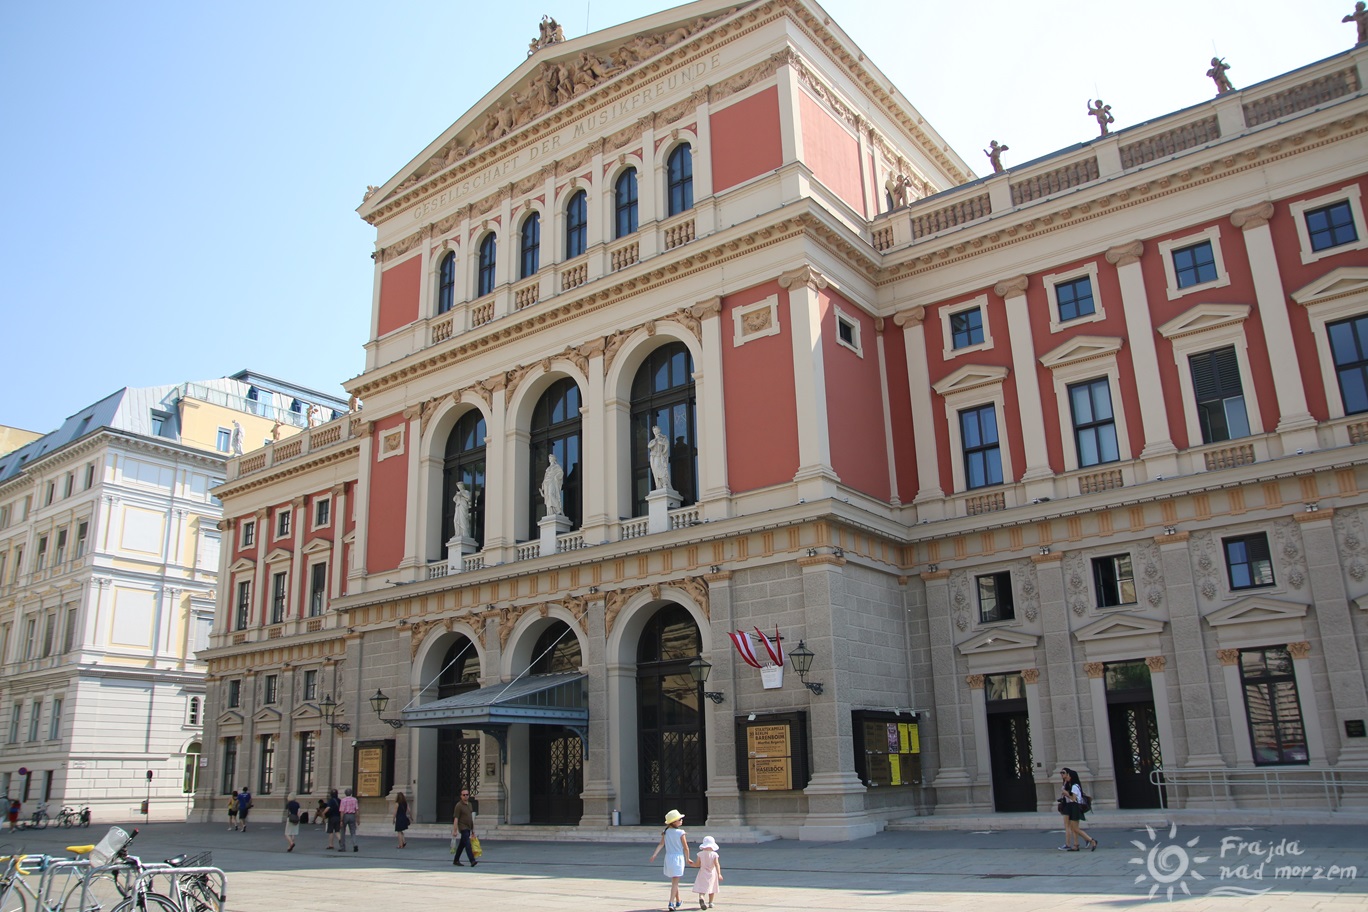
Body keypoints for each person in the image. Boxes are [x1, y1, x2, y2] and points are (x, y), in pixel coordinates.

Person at [649, 808, 691, 911]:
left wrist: (655, 854)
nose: (681, 820)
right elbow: (686, 847)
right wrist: (688, 858)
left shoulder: (666, 831)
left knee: (674, 880)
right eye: (679, 819)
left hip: (669, 858)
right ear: (674, 822)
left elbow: (661, 844)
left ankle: (678, 900)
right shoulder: (681, 832)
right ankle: (671, 903)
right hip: (678, 858)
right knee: (675, 882)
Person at [1059, 768, 1097, 851]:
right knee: (1073, 828)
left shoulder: (1074, 786)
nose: (1065, 776)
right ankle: (1076, 845)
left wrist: (1066, 794)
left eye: (1066, 774)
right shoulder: (1070, 785)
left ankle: (1091, 840)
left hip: (1075, 807)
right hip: (1073, 807)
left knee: (1075, 828)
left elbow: (1073, 798)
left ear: (1071, 776)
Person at [690, 835, 722, 910]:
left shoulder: (700, 854)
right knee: (712, 888)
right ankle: (710, 902)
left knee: (702, 888)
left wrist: (692, 864)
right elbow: (717, 864)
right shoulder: (714, 854)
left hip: (702, 872)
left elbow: (697, 864)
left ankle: (701, 898)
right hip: (712, 873)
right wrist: (719, 873)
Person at [451, 789, 477, 867]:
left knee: (462, 845)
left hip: (469, 827)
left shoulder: (469, 804)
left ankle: (456, 860)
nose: (465, 796)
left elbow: (471, 817)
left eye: (467, 795)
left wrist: (473, 830)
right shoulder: (458, 805)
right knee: (467, 844)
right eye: (464, 795)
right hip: (463, 827)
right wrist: (455, 830)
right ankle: (472, 860)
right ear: (461, 796)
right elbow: (456, 818)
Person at [648, 425, 671, 491]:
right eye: (654, 431)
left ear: (659, 430)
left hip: (659, 456)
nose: (655, 432)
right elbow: (649, 446)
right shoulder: (653, 440)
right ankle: (659, 484)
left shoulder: (663, 438)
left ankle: (664, 483)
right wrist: (655, 441)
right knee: (655, 470)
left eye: (656, 430)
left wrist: (662, 443)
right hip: (654, 457)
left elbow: (666, 445)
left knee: (660, 469)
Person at [339, 788, 360, 852]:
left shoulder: (343, 800)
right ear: (351, 793)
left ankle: (343, 847)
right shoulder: (354, 799)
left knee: (342, 832)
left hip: (345, 815)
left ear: (345, 793)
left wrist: (341, 820)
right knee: (353, 831)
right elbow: (357, 810)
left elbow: (342, 811)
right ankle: (355, 844)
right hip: (352, 815)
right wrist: (358, 819)